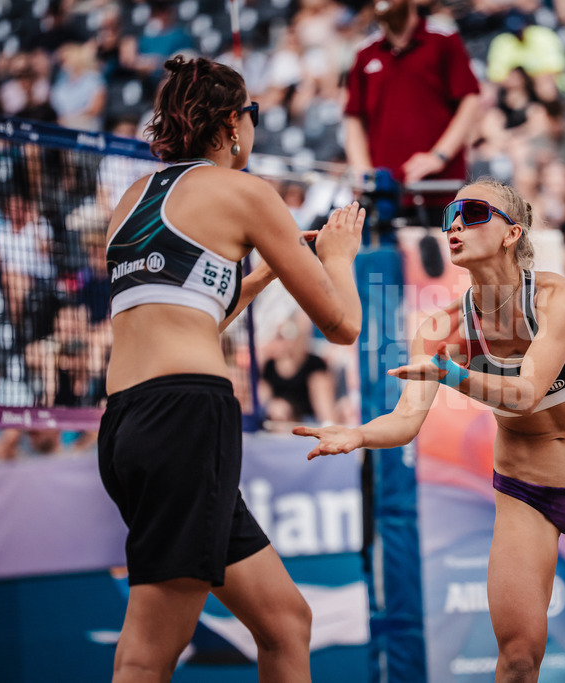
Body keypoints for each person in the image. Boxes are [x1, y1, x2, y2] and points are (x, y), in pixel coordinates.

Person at [294, 179, 565, 682]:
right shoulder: (441, 328)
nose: (454, 224)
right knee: (518, 662)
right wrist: (359, 435)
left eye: (473, 212)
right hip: (526, 494)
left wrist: (451, 375)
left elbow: (526, 393)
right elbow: (406, 422)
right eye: (449, 215)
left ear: (510, 233)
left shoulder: (556, 297)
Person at [98, 55, 364, 682]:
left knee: (285, 623)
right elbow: (343, 326)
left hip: (128, 427)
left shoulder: (133, 199)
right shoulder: (245, 191)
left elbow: (193, 315)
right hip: (185, 420)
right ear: (230, 123)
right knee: (147, 652)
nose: (255, 127)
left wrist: (262, 275)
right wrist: (340, 256)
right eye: (252, 114)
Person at [343, 0, 481, 222]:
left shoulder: (444, 41)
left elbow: (470, 101)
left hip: (439, 191)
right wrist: (363, 171)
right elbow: (353, 119)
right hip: (384, 195)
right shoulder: (365, 53)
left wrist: (439, 155)